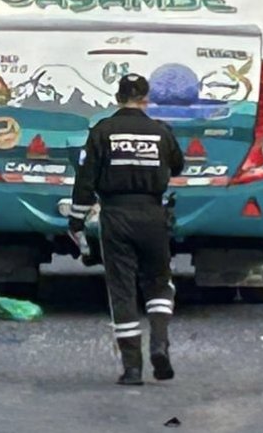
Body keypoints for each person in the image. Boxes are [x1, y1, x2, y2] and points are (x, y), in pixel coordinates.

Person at [70, 73, 185, 386]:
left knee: (121, 289)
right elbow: (178, 165)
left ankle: (132, 368)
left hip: (115, 216)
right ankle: (159, 342)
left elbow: (86, 179)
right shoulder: (160, 131)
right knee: (159, 282)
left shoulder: (102, 131)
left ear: (118, 97)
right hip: (152, 214)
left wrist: (76, 219)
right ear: (145, 99)